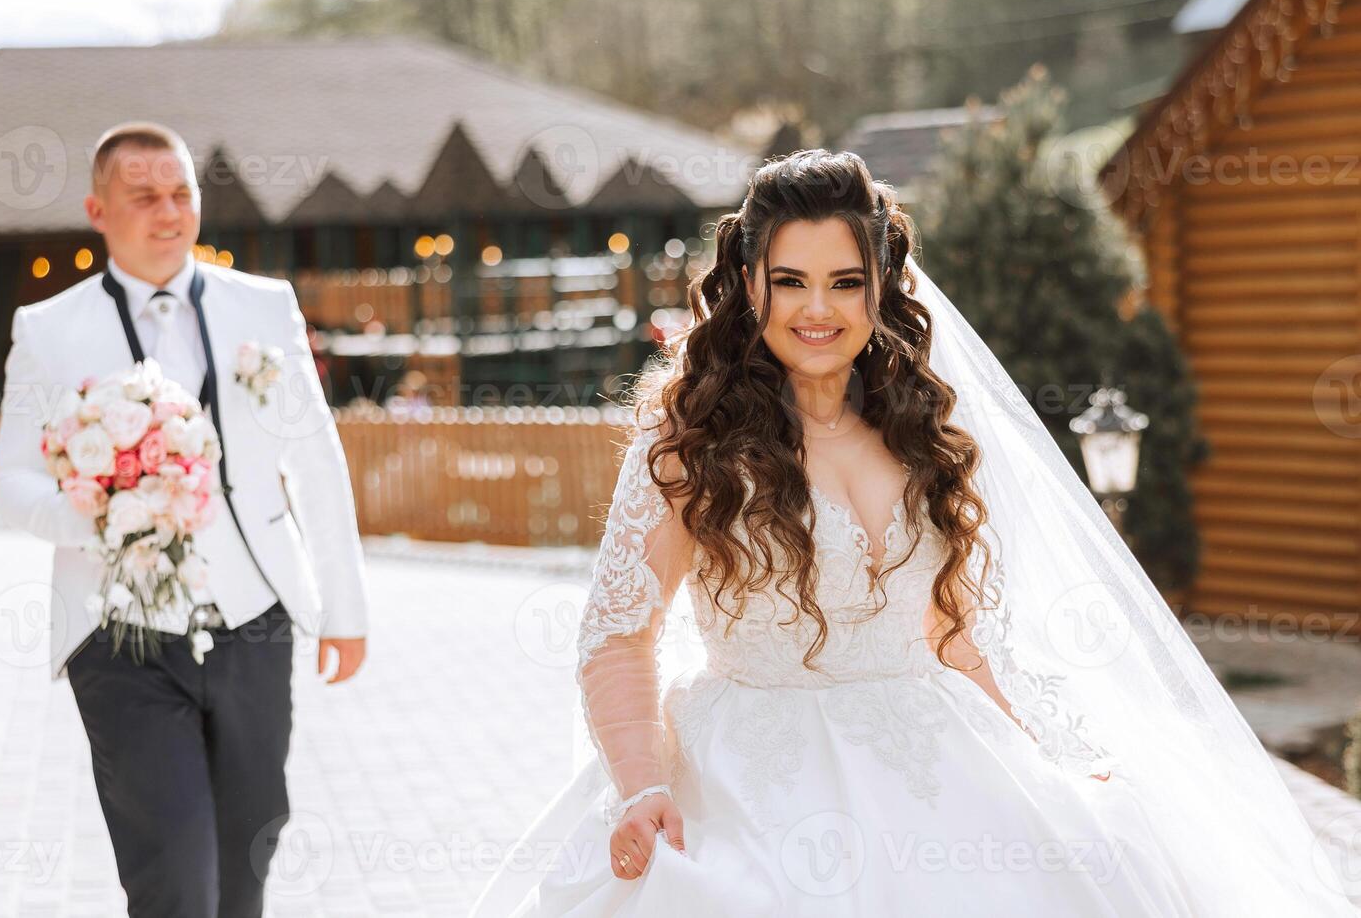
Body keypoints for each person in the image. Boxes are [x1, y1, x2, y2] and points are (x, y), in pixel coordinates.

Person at [469, 149, 1354, 916]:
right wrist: (645, 787)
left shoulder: (921, 429)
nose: (819, 309)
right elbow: (618, 636)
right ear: (749, 284)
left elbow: (951, 635)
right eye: (791, 281)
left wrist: (1046, 755)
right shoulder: (687, 444)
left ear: (882, 286)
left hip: (939, 757)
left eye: (845, 282)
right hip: (750, 773)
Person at [0, 121, 370, 918]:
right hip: (117, 636)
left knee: (249, 849)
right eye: (145, 197)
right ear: (99, 210)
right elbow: (9, 478)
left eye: (181, 194)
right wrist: (93, 515)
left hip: (256, 621)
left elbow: (317, 462)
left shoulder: (266, 308)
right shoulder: (48, 329)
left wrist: (345, 609)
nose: (169, 213)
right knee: (174, 871)